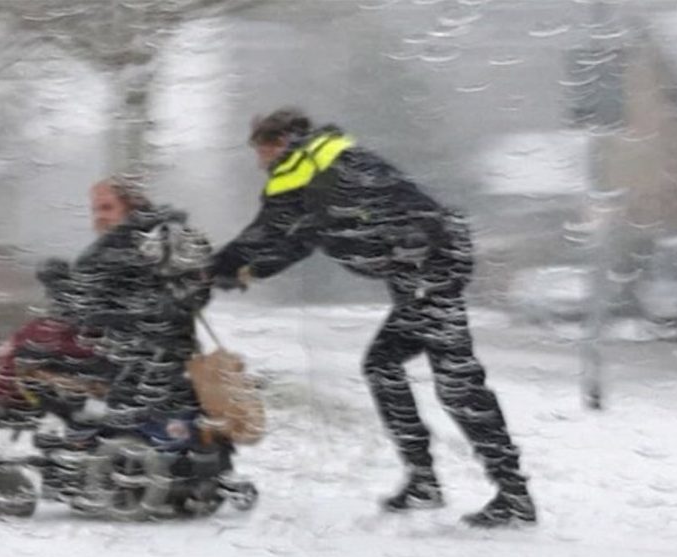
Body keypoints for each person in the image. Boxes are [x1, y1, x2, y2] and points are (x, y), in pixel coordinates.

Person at [211, 108, 536, 528]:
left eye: (260, 150)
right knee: (386, 366)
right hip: (426, 264)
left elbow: (269, 232)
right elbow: (299, 240)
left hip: (425, 270)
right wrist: (245, 273)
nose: (259, 162)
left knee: (456, 383)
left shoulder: (301, 168)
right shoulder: (325, 162)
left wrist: (211, 267)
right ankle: (429, 481)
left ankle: (509, 494)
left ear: (276, 144)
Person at [39, 176, 214, 436]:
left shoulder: (118, 248)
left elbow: (76, 311)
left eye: (107, 208)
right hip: (173, 358)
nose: (98, 216)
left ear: (131, 207)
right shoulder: (168, 237)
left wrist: (55, 280)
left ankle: (73, 443)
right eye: (95, 209)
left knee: (35, 363)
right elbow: (192, 296)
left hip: (126, 359)